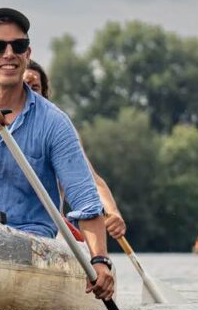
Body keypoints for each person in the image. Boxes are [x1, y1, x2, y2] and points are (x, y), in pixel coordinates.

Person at [0, 8, 115, 301]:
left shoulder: (55, 122)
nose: (9, 54)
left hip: (31, 242)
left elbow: (85, 202)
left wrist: (100, 261)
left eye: (19, 46)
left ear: (28, 54)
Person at [24, 60, 127, 240]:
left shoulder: (56, 130)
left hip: (49, 233)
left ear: (43, 94)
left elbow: (91, 181)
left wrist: (112, 212)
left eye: (35, 87)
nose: (29, 92)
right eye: (24, 86)